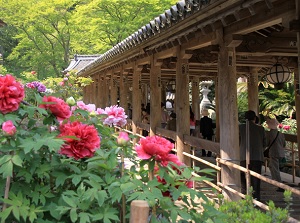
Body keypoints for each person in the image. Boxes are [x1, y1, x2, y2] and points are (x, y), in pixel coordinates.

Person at [239, 110, 266, 201]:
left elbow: (238, 141)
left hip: (243, 155)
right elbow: (264, 143)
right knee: (256, 179)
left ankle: (244, 196)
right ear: (255, 118)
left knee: (243, 177)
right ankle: (256, 198)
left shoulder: (240, 128)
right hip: (257, 156)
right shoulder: (260, 129)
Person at [266, 118, 286, 191]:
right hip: (281, 153)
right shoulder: (281, 134)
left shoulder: (269, 134)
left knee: (275, 169)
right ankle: (277, 181)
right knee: (272, 166)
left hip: (273, 153)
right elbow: (284, 144)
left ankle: (279, 185)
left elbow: (266, 143)